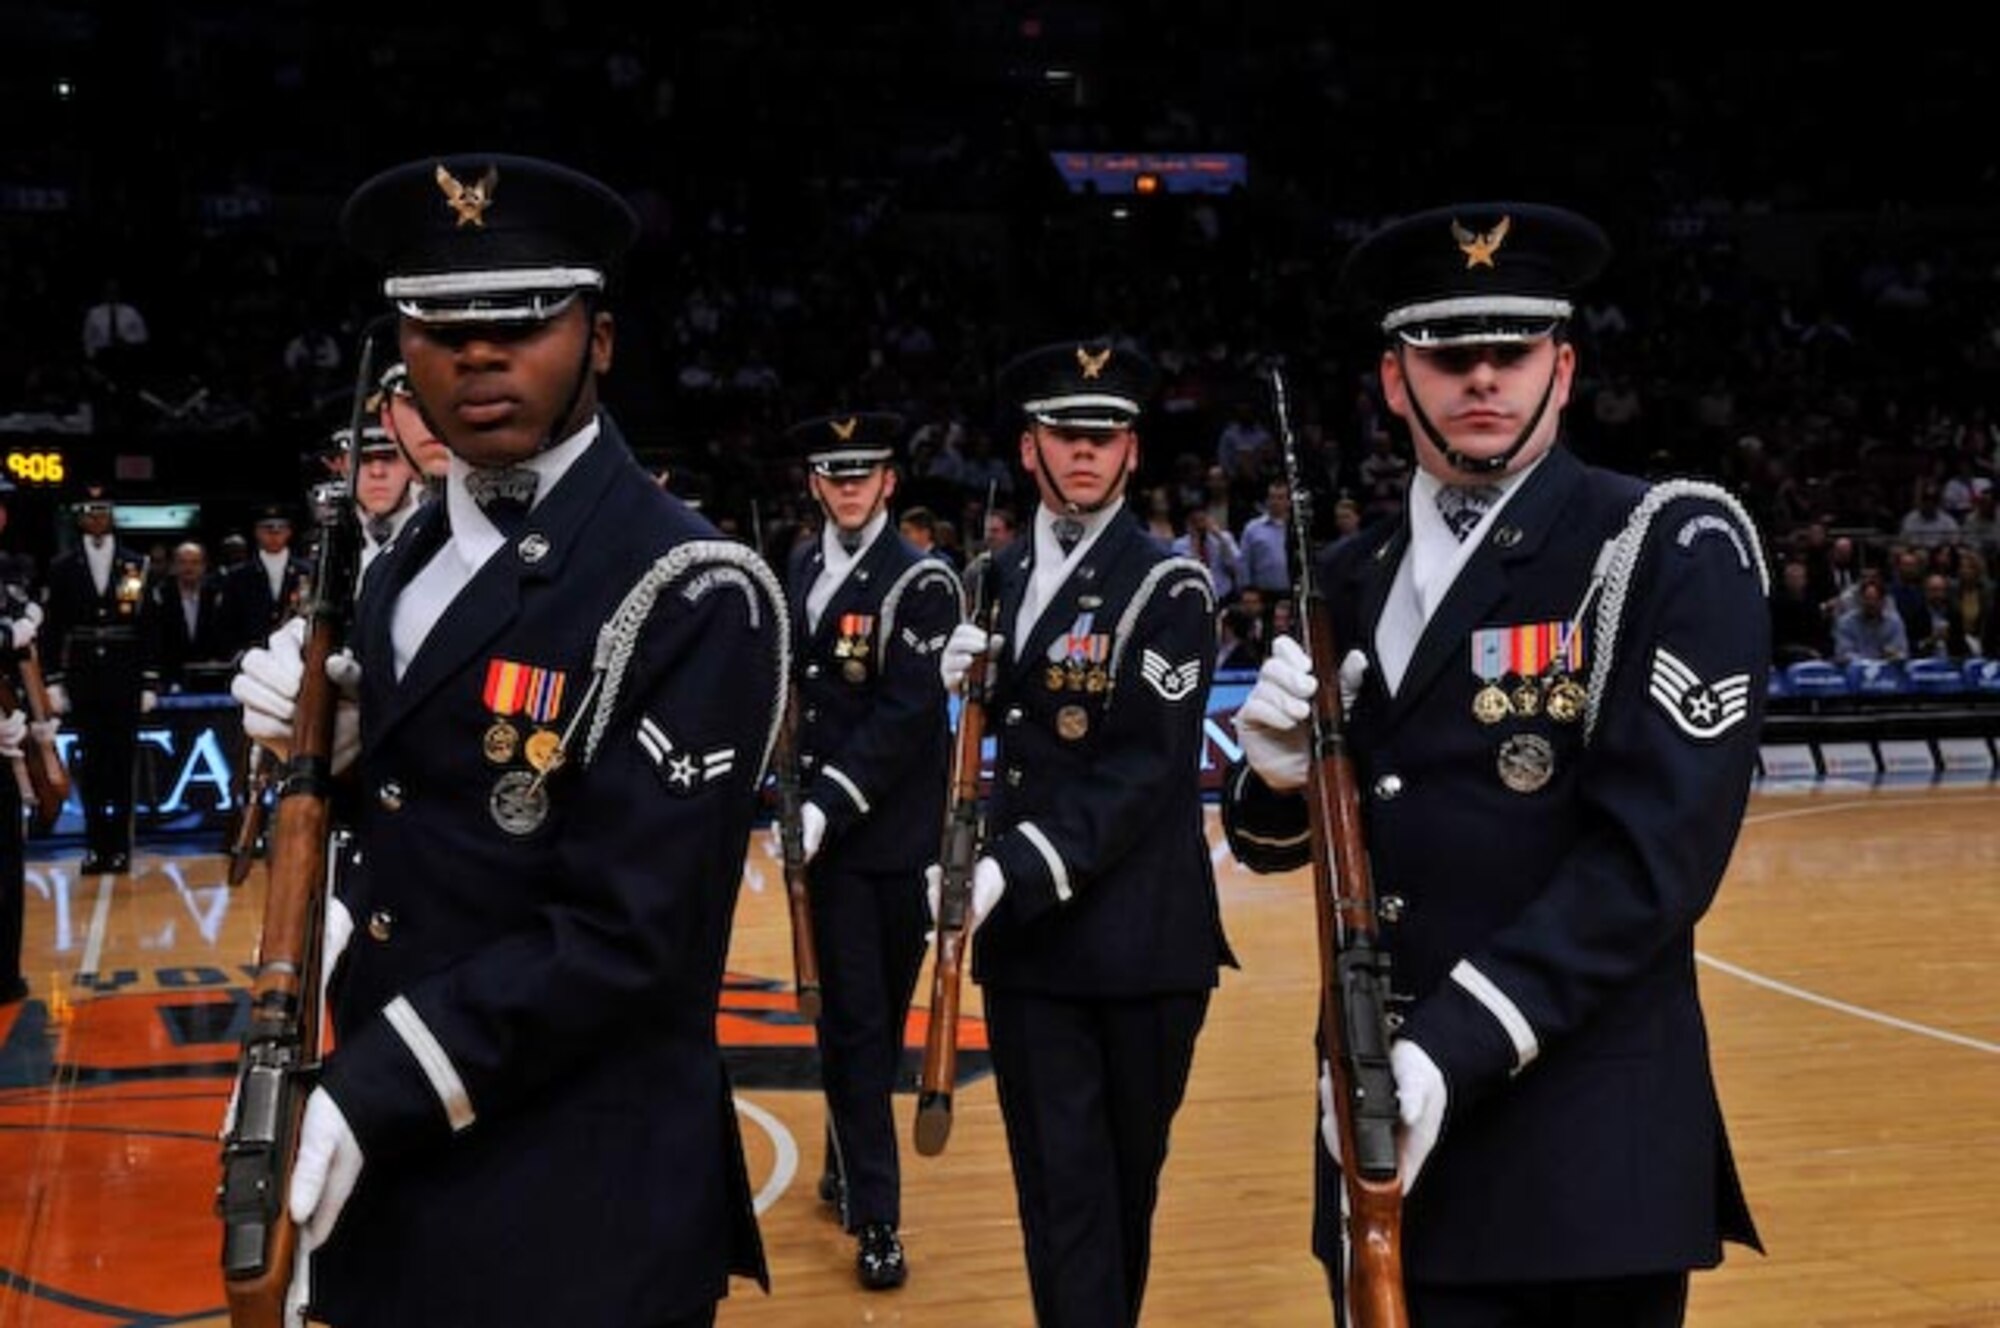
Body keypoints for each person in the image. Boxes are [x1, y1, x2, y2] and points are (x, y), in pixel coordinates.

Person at [231, 151, 780, 1328]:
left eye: (525, 318)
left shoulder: (694, 586)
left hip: (579, 1199)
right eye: (439, 326)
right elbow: (424, 813)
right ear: (400, 358)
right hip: (403, 1174)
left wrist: (362, 1087)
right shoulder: (404, 563)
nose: (479, 353)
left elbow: (631, 937)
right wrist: (322, 757)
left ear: (600, 338)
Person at [1223, 202, 1767, 1326]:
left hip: (1578, 1158)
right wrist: (1270, 778)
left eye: (1510, 352)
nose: (1482, 379)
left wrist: (1449, 1044)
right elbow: (1289, 843)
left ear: (1561, 369)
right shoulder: (1348, 572)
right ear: (1392, 378)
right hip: (1386, 1137)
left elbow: (1651, 862)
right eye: (1447, 353)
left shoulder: (1661, 543)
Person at [934, 337, 1234, 1327]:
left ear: (1132, 452)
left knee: (1117, 1187)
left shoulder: (1169, 586)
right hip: (1029, 949)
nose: (1082, 455)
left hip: (1138, 938)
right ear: (1029, 448)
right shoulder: (992, 578)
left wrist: (1002, 871)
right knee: (1056, 1194)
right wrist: (966, 682)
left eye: (1102, 437)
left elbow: (1143, 771)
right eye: (1064, 434)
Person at [780, 410, 960, 1289]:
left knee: (879, 1020)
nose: (848, 488)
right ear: (816, 483)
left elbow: (906, 717)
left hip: (894, 841)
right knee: (853, 1024)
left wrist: (824, 804)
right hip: (829, 848)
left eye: (864, 474)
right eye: (833, 474)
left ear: (890, 483)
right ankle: (878, 1218)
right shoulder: (801, 564)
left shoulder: (923, 581)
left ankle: (842, 1147)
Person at [40, 484, 158, 876]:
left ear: (112, 515)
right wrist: (53, 680)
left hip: (123, 673)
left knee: (121, 764)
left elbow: (146, 627)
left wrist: (148, 681)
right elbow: (53, 628)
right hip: (84, 675)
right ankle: (95, 846)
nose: (97, 518)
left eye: (103, 510)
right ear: (80, 517)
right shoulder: (62, 567)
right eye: (90, 511)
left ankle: (121, 848)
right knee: (90, 767)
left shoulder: (133, 564)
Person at [216, 504, 314, 660]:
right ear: (256, 532)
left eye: (280, 528)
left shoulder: (308, 571)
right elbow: (226, 622)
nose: (274, 534)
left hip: (296, 654)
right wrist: (236, 653)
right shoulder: (238, 576)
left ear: (289, 532)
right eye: (267, 528)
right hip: (252, 655)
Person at [148, 540, 228, 691]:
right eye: (183, 562)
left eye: (195, 562)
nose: (189, 568)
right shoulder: (160, 597)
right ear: (174, 566)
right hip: (169, 677)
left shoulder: (217, 596)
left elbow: (224, 637)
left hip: (209, 678)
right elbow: (154, 641)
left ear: (204, 566)